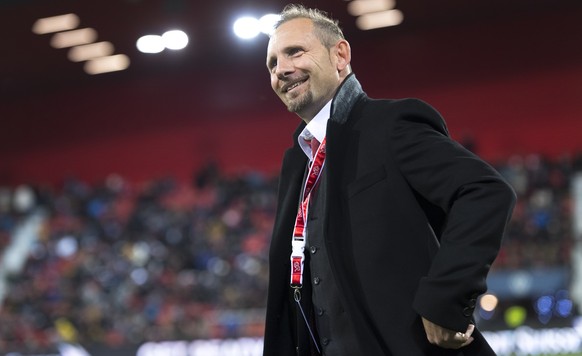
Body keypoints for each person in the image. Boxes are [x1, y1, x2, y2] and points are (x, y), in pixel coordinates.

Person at [263, 4, 516, 356]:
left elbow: (485, 191)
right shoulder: (297, 163)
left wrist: (446, 296)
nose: (282, 70)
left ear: (340, 54)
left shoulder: (390, 125)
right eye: (272, 63)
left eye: (294, 52)